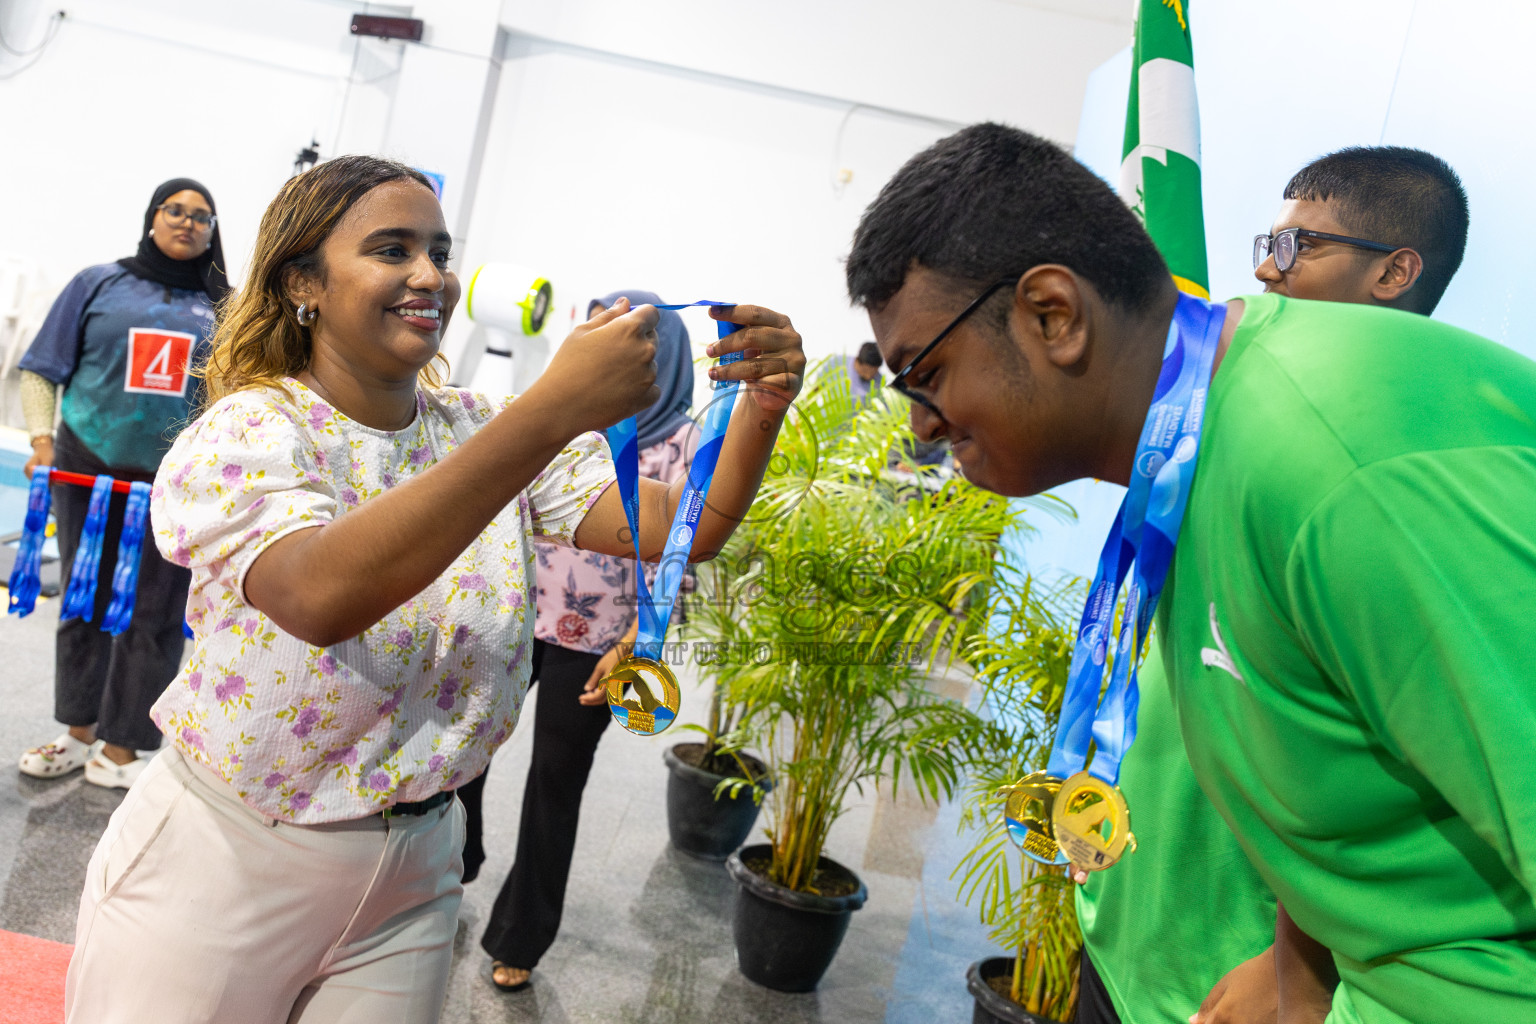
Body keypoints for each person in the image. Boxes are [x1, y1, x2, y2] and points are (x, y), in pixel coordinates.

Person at [63, 155, 806, 1024]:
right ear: (304, 280)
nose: (430, 276)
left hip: (416, 872)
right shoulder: (252, 429)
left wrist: (760, 408)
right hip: (230, 858)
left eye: (439, 251)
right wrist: (547, 414)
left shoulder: (482, 426)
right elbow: (319, 596)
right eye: (392, 249)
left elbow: (690, 528)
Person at [846, 123, 1533, 1024]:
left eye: (924, 374)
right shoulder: (1202, 439)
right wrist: (1298, 960)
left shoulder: (1338, 465)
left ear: (1053, 314)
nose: (924, 425)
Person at [1074, 145, 1472, 1024]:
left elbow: (1388, 760)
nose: (1265, 268)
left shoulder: (1393, 475)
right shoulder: (1233, 407)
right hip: (1127, 921)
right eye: (1270, 241)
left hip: (1233, 976)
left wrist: (1300, 967)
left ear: (1394, 272)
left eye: (1300, 248)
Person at [456, 288, 700, 993]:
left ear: (664, 354)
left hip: (600, 640)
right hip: (515, 616)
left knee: (556, 784)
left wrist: (640, 641)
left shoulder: (683, 446)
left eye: (634, 334)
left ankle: (521, 937)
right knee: (466, 747)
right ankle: (456, 861)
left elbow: (681, 553)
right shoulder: (566, 420)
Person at [16, 177, 230, 790]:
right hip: (87, 472)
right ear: (152, 217)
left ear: (214, 232)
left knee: (155, 614)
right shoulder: (97, 283)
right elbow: (40, 371)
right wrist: (40, 442)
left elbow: (245, 394)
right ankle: (78, 735)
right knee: (83, 603)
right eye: (176, 210)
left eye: (202, 217)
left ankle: (122, 750)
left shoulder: (229, 306)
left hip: (175, 490)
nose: (187, 223)